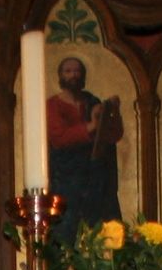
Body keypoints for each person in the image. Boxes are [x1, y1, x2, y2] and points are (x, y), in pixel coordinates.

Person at [46, 55, 123, 243]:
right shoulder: (53, 105)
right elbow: (59, 137)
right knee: (67, 231)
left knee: (99, 229)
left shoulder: (91, 101)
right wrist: (91, 126)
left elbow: (112, 135)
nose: (73, 75)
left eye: (77, 71)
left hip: (95, 179)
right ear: (61, 76)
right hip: (68, 179)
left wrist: (111, 112)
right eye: (68, 71)